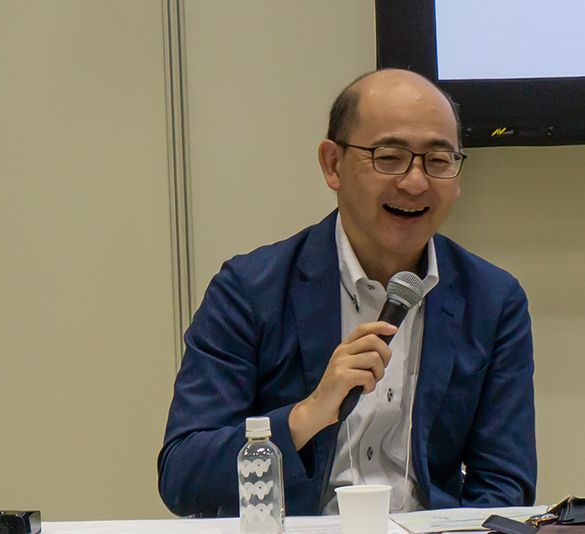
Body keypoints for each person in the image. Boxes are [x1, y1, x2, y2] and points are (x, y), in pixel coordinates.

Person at [158, 68, 536, 517]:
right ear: (332, 164)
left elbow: (504, 484)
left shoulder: (493, 300)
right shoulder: (250, 290)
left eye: (438, 160)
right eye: (389, 157)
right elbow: (183, 475)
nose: (415, 182)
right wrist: (308, 414)